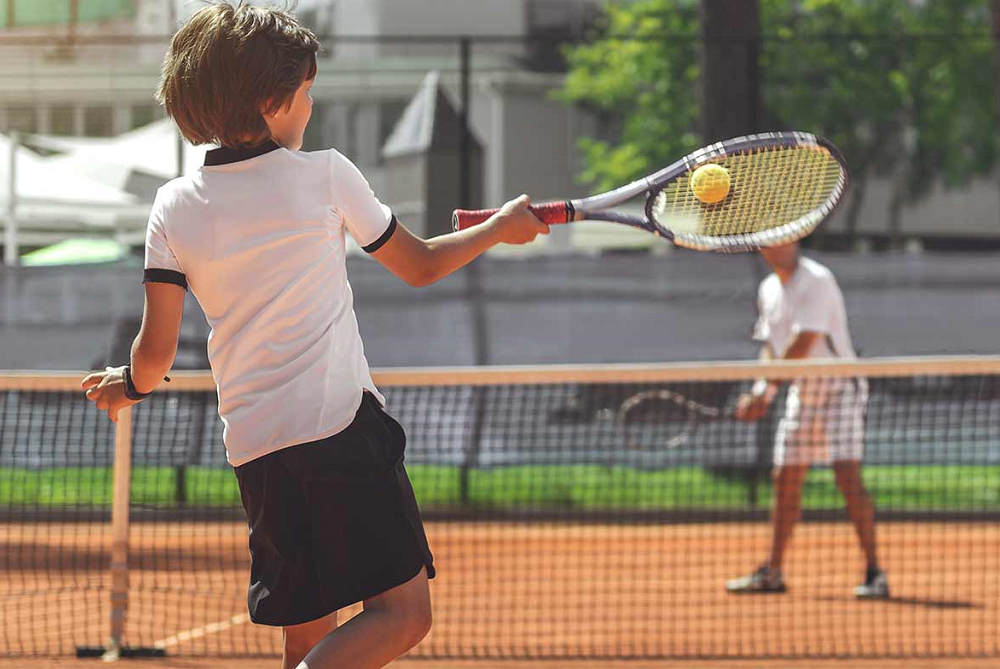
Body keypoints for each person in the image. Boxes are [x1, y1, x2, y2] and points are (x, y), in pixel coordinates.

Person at [80, 4, 548, 668]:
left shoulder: (173, 205)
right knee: (401, 613)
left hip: (256, 451)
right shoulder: (327, 172)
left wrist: (127, 385)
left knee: (306, 634)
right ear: (272, 100)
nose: (310, 107)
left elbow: (153, 356)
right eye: (306, 93)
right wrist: (500, 227)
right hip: (340, 433)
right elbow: (418, 264)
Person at [726, 241, 888, 599]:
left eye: (785, 237)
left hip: (839, 390)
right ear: (763, 248)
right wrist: (761, 391)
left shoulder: (817, 280)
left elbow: (802, 343)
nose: (779, 245)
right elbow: (771, 347)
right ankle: (773, 571)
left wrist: (766, 393)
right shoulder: (768, 288)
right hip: (802, 393)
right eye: (770, 240)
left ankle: (875, 571)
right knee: (785, 478)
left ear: (794, 240)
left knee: (847, 476)